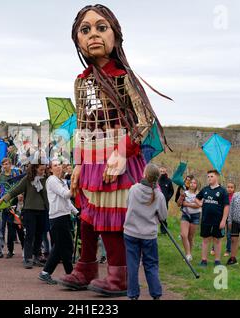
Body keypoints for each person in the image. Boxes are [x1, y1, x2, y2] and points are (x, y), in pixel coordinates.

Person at [59, 4, 169, 297]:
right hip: (92, 156)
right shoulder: (81, 82)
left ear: (115, 35)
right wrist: (79, 163)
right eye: (85, 30)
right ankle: (85, 267)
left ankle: (118, 276)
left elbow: (145, 120)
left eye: (100, 27)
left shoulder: (124, 77)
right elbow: (82, 125)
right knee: (86, 216)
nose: (93, 34)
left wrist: (123, 150)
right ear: (77, 40)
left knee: (110, 217)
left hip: (120, 154)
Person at [124, 163, 167, 300]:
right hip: (148, 235)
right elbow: (163, 216)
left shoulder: (133, 189)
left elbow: (128, 205)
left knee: (132, 264)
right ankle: (155, 294)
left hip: (131, 232)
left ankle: (132, 294)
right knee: (151, 264)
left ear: (144, 174)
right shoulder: (159, 195)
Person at [0, 163, 49, 269]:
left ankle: (36, 256)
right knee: (30, 235)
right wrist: (3, 199)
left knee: (39, 235)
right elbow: (15, 190)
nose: (43, 171)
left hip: (43, 210)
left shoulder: (46, 179)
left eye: (44, 169)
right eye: (41, 169)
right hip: (30, 210)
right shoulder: (27, 179)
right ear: (35, 168)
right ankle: (27, 258)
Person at [38, 160, 78, 285]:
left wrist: (76, 212)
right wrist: (75, 183)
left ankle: (67, 274)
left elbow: (66, 201)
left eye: (59, 164)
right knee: (63, 246)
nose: (58, 166)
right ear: (50, 169)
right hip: (57, 217)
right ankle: (52, 273)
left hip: (64, 216)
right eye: (55, 165)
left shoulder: (61, 181)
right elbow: (66, 195)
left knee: (63, 247)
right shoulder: (52, 180)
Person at [195, 170, 230, 267]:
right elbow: (197, 198)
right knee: (205, 240)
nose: (209, 178)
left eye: (211, 176)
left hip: (218, 220)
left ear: (217, 177)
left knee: (217, 240)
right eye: (208, 176)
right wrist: (201, 204)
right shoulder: (205, 189)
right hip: (206, 219)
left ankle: (217, 261)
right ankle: (204, 260)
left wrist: (223, 220)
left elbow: (226, 206)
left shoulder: (222, 191)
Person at [177, 177, 201, 261]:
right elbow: (179, 204)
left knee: (190, 237)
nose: (192, 184)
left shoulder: (199, 194)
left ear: (197, 185)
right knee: (184, 235)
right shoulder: (185, 193)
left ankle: (189, 254)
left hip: (195, 216)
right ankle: (187, 254)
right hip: (185, 215)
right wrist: (181, 197)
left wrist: (186, 204)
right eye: (191, 182)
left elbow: (198, 205)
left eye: (194, 183)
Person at [158, 166, 174, 234]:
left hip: (164, 202)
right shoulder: (156, 180)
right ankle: (153, 230)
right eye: (161, 171)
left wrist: (168, 197)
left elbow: (171, 191)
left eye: (163, 172)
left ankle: (164, 231)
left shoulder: (169, 181)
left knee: (163, 216)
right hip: (156, 201)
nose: (162, 173)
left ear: (166, 172)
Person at [224, 182, 235, 257]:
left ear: (234, 189)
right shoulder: (224, 195)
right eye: (228, 187)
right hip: (222, 216)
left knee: (229, 235)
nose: (229, 189)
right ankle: (214, 248)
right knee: (218, 233)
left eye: (231, 187)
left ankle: (228, 250)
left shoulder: (235, 197)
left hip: (230, 218)